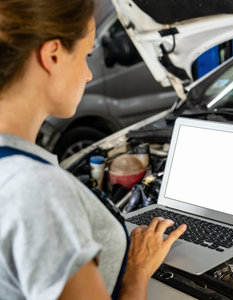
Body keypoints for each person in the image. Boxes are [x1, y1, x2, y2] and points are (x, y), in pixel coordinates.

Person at [0, 0, 186, 299]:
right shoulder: (36, 189)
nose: (88, 74)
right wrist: (136, 274)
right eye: (86, 55)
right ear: (53, 55)